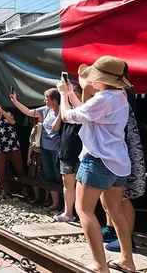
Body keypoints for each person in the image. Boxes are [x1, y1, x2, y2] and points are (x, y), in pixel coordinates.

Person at [58, 56, 135, 273]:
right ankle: (127, 260)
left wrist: (64, 95)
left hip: (98, 160)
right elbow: (89, 112)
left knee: (84, 210)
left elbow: (69, 116)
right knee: (115, 210)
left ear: (100, 79)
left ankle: (100, 265)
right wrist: (73, 93)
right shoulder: (120, 95)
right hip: (118, 161)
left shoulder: (102, 99)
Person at [102, 86, 145, 254]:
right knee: (108, 195)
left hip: (123, 148)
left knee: (122, 197)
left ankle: (126, 238)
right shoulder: (117, 92)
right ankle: (113, 230)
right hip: (117, 149)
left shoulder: (122, 92)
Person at [10, 88, 61, 210]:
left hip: (56, 150)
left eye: (46, 98)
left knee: (59, 177)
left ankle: (63, 204)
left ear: (54, 100)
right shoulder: (46, 110)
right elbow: (28, 111)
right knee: (49, 176)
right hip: (44, 149)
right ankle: (55, 203)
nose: (44, 100)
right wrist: (15, 101)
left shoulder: (62, 111)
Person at [52, 84, 83, 222]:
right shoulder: (66, 111)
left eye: (75, 96)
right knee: (67, 184)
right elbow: (55, 127)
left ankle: (83, 214)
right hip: (66, 151)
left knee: (83, 186)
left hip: (81, 153)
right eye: (71, 96)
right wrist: (62, 110)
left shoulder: (85, 111)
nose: (72, 99)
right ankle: (68, 213)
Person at [0, 99, 26, 199]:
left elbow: (12, 122)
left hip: (12, 144)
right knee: (0, 170)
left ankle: (25, 188)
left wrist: (2, 111)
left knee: (19, 168)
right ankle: (3, 189)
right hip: (0, 146)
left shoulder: (7, 113)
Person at [27, 114, 49, 204]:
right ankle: (37, 197)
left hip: (46, 154)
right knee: (33, 175)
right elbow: (31, 143)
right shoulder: (35, 128)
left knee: (46, 176)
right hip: (36, 154)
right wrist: (29, 156)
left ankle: (47, 198)